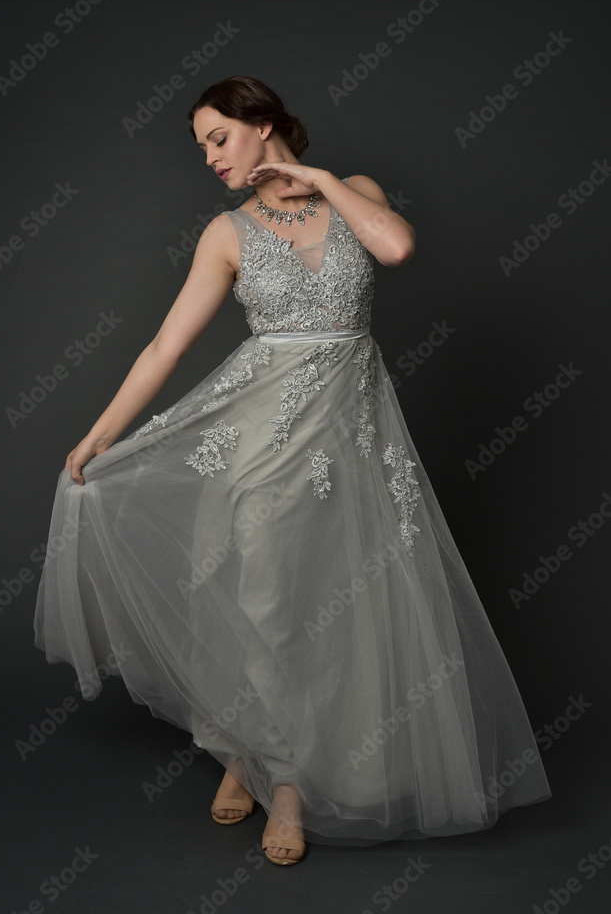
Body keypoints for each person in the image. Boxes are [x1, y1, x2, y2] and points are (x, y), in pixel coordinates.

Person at [34, 75, 552, 867]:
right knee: (266, 603)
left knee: (341, 603)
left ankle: (251, 756)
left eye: (218, 137)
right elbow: (164, 348)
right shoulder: (227, 233)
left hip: (351, 442)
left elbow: (396, 246)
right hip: (258, 441)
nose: (209, 156)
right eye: (201, 145)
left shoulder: (355, 194)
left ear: (263, 123)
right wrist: (99, 434)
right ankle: (278, 778)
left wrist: (317, 181)